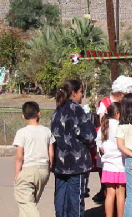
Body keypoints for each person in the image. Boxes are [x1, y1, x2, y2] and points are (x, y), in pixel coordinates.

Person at [51, 80, 97, 217]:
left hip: (59, 162)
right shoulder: (76, 109)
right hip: (77, 164)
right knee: (76, 199)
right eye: (81, 92)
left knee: (61, 197)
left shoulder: (57, 110)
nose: (82, 95)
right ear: (74, 93)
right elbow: (89, 135)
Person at [13, 101, 54, 217]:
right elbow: (51, 154)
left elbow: (19, 157)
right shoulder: (47, 131)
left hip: (28, 170)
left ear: (23, 116)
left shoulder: (21, 133)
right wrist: (49, 168)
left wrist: (17, 174)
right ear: (39, 114)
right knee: (28, 206)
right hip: (43, 170)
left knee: (27, 203)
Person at [96, 102, 126, 217]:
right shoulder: (120, 126)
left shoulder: (103, 126)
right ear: (118, 113)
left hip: (108, 164)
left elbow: (100, 146)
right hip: (120, 163)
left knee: (109, 194)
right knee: (121, 193)